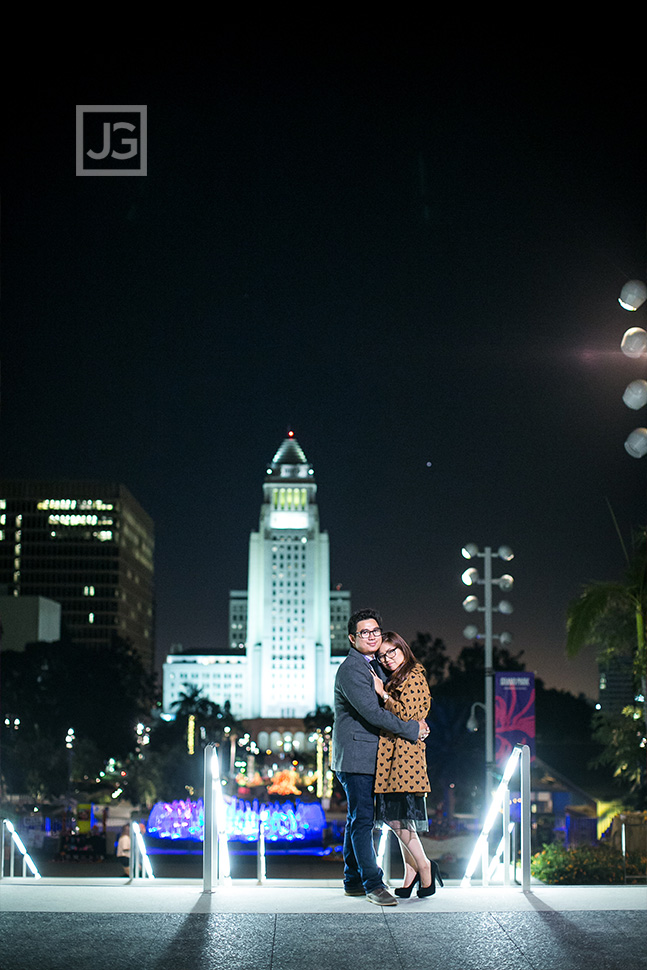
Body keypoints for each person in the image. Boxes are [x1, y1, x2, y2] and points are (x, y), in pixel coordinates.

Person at [331, 608, 430, 906]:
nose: (372, 636)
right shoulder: (352, 669)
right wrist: (412, 728)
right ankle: (373, 884)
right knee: (362, 822)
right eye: (365, 632)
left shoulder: (373, 665)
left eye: (375, 631)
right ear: (352, 638)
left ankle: (353, 880)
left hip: (365, 756)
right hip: (357, 757)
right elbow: (373, 713)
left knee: (355, 821)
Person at [371, 631, 443, 898]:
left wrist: (383, 695)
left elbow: (405, 717)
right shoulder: (398, 678)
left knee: (395, 816)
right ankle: (410, 872)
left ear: (403, 649)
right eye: (382, 655)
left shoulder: (414, 676)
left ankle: (425, 867)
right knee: (401, 817)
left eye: (393, 652)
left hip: (405, 759)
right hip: (396, 757)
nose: (388, 659)